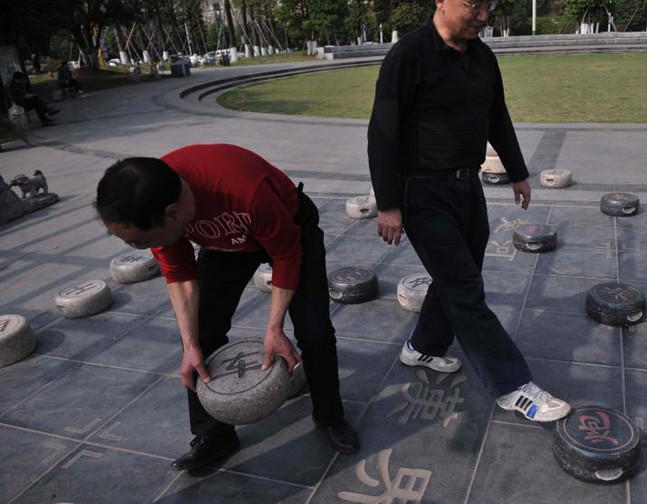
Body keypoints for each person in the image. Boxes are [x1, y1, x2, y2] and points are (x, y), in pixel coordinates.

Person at [95, 144, 359, 471]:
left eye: (137, 241)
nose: (138, 248)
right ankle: (214, 436)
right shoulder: (152, 200)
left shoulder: (244, 192)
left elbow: (287, 257)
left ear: (172, 213)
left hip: (288, 228)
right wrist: (190, 345)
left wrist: (274, 328)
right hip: (224, 241)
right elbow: (179, 276)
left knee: (313, 329)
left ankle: (330, 416)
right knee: (200, 332)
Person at [367, 0, 570, 422]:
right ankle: (513, 386)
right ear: (441, 1)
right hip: (421, 191)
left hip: (466, 186)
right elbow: (382, 131)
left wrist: (517, 172)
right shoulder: (408, 55)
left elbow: (497, 115)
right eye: (474, 6)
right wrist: (387, 204)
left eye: (489, 6)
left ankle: (421, 347)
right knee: (464, 289)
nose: (483, 16)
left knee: (459, 277)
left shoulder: (481, 55)